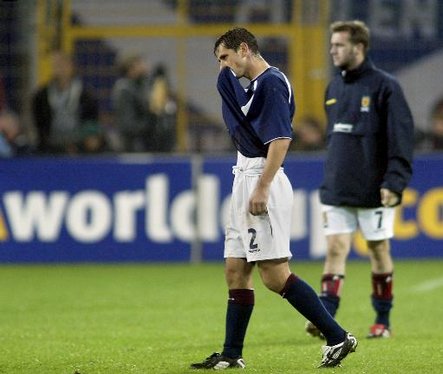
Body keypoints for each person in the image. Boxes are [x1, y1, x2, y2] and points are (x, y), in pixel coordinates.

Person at [190, 27, 357, 370]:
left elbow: (280, 140)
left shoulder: (272, 83)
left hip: (261, 179)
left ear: (245, 49)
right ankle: (232, 354)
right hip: (244, 177)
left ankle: (338, 337)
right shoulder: (248, 84)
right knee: (236, 270)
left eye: (225, 56)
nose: (222, 66)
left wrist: (262, 187)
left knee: (274, 275)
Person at [305, 20, 414, 340]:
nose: (332, 50)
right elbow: (334, 139)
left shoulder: (386, 86)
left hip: (374, 188)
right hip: (338, 185)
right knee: (335, 247)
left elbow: (401, 139)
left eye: (339, 45)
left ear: (359, 47)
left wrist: (394, 182)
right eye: (331, 44)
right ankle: (327, 320)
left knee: (378, 249)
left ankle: (383, 320)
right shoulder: (333, 87)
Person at [31, 50, 99, 154]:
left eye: (64, 64)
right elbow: (39, 123)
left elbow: (91, 120)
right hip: (51, 144)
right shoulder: (42, 95)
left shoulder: (85, 94)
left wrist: (88, 138)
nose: (61, 69)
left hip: (79, 143)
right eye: (57, 65)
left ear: (71, 66)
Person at [111, 53, 156, 152]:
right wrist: (150, 123)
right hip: (132, 144)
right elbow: (128, 124)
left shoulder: (140, 85)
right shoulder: (124, 89)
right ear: (130, 69)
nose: (144, 66)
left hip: (142, 141)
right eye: (139, 63)